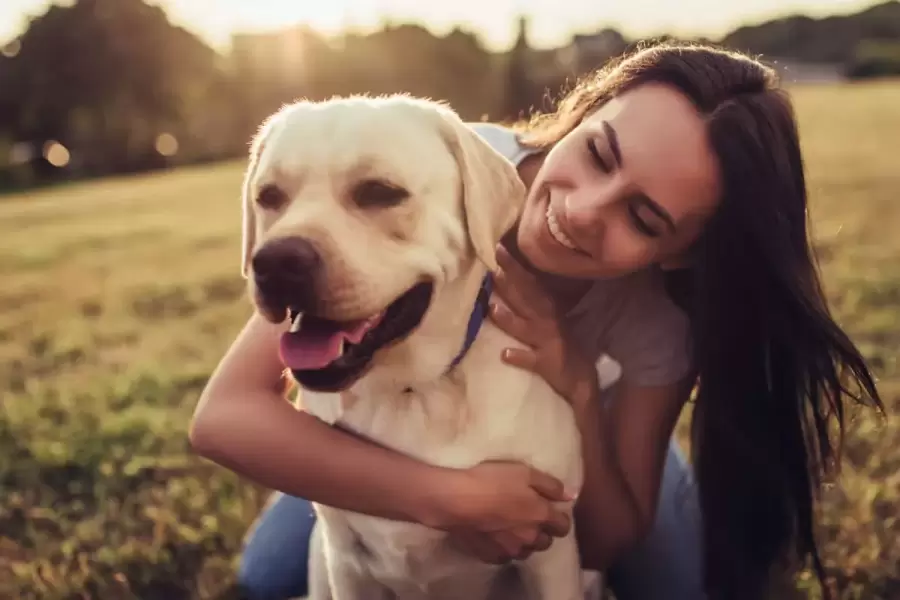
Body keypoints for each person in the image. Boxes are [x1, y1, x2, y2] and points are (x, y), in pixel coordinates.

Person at [189, 41, 883, 600]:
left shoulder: (661, 320)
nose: (581, 211)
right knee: (272, 575)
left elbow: (605, 541)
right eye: (598, 153)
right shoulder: (442, 152)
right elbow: (223, 417)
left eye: (642, 218)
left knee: (673, 584)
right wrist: (451, 500)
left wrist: (581, 388)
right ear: (583, 112)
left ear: (683, 254)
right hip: (383, 431)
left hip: (593, 436)